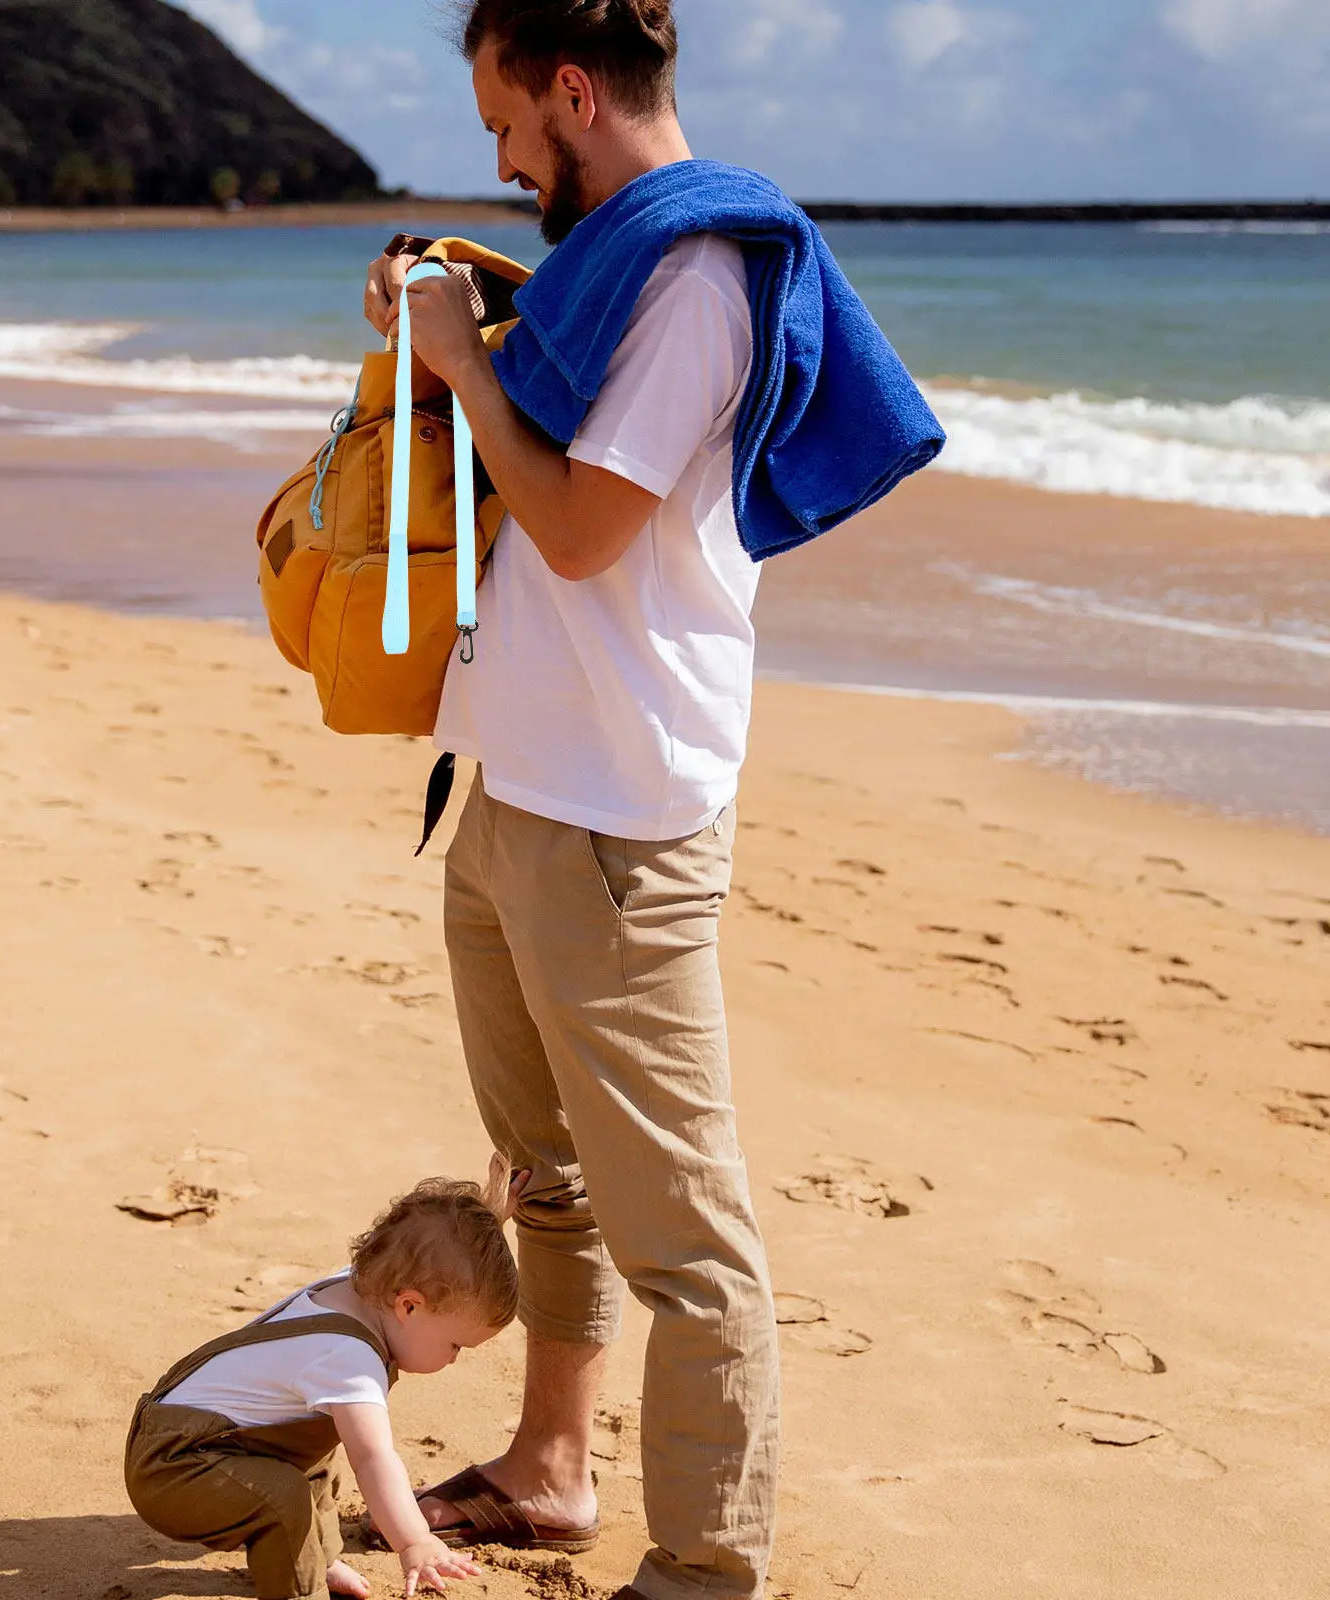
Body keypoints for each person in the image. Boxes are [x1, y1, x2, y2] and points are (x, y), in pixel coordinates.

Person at [362, 4, 941, 1600]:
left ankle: (707, 1566)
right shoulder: (616, 269)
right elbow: (554, 408)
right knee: (543, 1177)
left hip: (620, 819)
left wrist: (465, 363)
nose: (501, 161)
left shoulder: (694, 280)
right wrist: (457, 310)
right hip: (523, 786)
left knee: (685, 1240)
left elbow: (580, 530)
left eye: (506, 125)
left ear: (571, 89)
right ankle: (554, 1471)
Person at [123, 1166, 527, 1600]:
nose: (454, 1359)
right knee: (285, 1497)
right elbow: (374, 1459)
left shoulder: (357, 1286)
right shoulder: (349, 1360)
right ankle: (300, 1590)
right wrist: (414, 1541)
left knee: (315, 1454)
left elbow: (433, 1254)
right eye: (455, 1345)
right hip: (174, 1472)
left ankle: (317, 1558)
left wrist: (490, 1222)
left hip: (190, 1438)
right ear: (409, 1307)